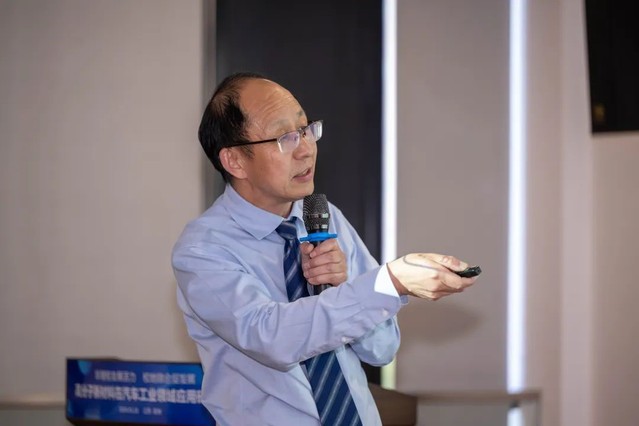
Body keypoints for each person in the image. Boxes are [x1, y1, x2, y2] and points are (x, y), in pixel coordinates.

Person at [172, 72, 477, 426]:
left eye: (305, 130)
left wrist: (344, 286)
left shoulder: (323, 216)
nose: (306, 149)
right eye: (285, 138)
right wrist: (389, 282)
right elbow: (272, 337)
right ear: (235, 161)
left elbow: (382, 350)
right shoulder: (203, 249)